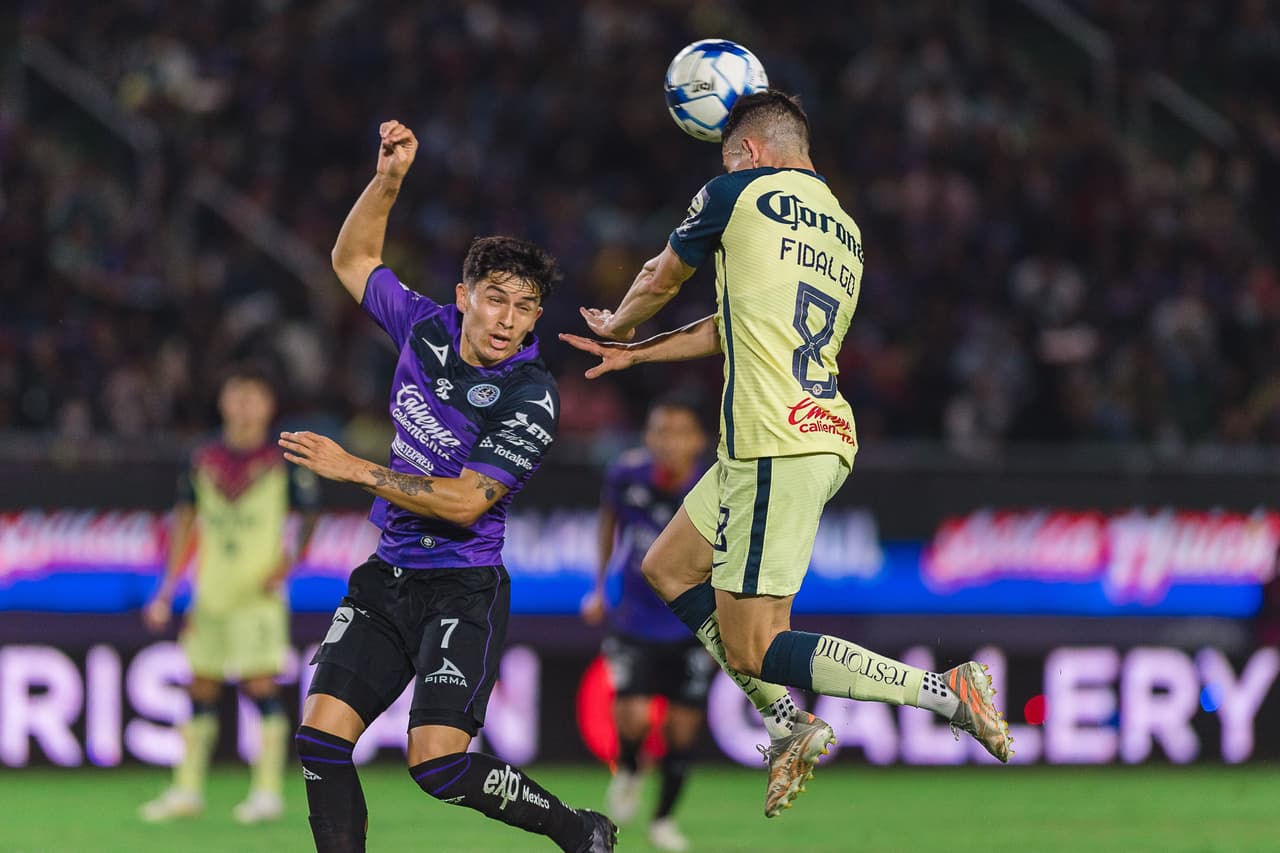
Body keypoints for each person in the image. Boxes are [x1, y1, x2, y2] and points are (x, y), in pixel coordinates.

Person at [561, 91, 1012, 818]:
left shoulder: (736, 190)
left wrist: (617, 322)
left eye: (726, 156)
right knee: (667, 565)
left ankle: (944, 690)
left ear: (748, 152)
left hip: (776, 439)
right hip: (800, 431)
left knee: (755, 647)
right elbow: (731, 321)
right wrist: (636, 355)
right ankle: (789, 721)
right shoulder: (846, 232)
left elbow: (660, 276)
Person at [277, 120, 616, 853]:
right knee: (321, 739)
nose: (510, 321)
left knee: (437, 764)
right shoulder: (423, 328)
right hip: (388, 577)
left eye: (526, 308)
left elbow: (465, 500)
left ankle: (577, 831)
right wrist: (389, 180)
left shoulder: (531, 394)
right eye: (497, 299)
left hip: (462, 586)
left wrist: (356, 468)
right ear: (464, 296)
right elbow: (351, 258)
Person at [140, 362, 319, 824]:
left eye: (253, 397)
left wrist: (285, 566)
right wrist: (167, 589)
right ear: (223, 401)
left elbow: (310, 516)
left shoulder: (284, 459)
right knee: (200, 687)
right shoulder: (201, 457)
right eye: (236, 395)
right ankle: (187, 790)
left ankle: (267, 791)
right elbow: (184, 522)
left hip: (257, 595)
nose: (243, 405)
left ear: (268, 406)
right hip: (210, 592)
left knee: (260, 685)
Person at [581, 395, 713, 852]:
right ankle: (633, 767)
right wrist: (599, 588)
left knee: (681, 731)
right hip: (635, 614)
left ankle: (663, 821)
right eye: (659, 431)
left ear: (698, 440)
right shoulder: (625, 475)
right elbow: (608, 524)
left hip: (693, 620)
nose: (668, 442)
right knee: (633, 715)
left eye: (679, 432)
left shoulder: (717, 486)